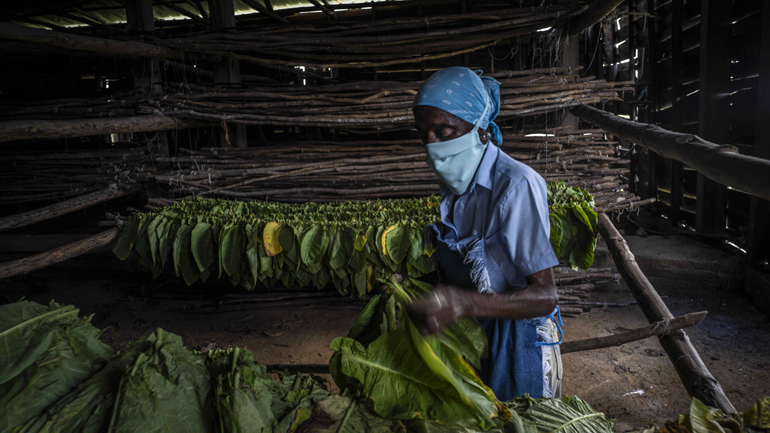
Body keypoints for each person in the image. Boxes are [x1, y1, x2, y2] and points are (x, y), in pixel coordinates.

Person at [408, 66, 563, 400]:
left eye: (443, 131)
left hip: (517, 342)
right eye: (424, 134)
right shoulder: (456, 186)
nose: (431, 145)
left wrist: (464, 302)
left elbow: (546, 296)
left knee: (516, 417)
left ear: (480, 130)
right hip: (473, 335)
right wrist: (414, 287)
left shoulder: (516, 186)